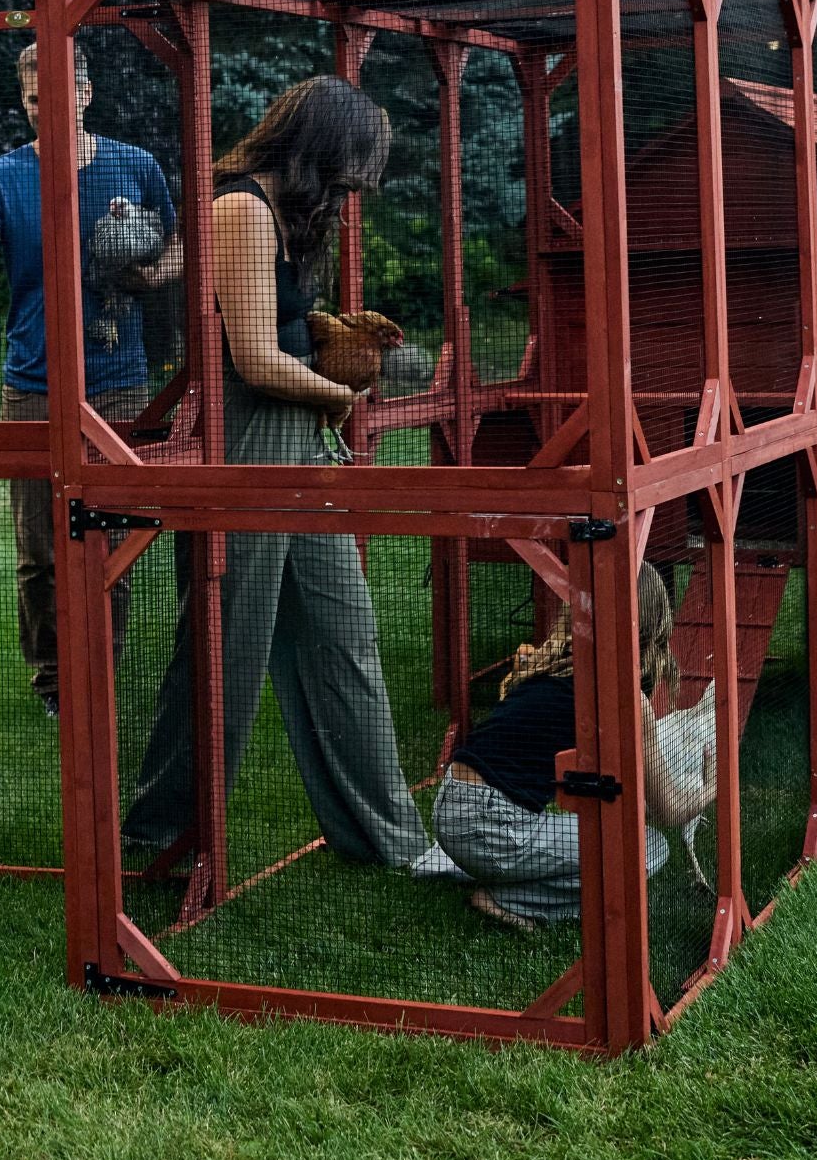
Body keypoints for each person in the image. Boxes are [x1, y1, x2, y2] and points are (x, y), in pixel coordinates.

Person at [121, 77, 456, 876]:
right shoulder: (240, 208)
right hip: (248, 442)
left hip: (297, 440)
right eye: (347, 168)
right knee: (226, 647)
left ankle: (393, 840)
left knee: (347, 637)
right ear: (318, 148)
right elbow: (254, 360)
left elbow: (283, 333)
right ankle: (159, 834)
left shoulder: (285, 213)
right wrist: (341, 394)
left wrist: (332, 355)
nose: (350, 189)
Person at [0, 42, 180, 717]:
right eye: (31, 99)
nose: (43, 109)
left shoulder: (133, 166)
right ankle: (55, 680)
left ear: (85, 93)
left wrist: (150, 272)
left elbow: (179, 251)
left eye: (56, 95)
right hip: (34, 383)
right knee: (39, 547)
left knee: (114, 538)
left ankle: (101, 670)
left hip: (119, 379)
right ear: (22, 102)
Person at [432, 564, 714, 930]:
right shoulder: (626, 697)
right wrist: (713, 786)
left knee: (592, 828)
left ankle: (493, 869)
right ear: (652, 625)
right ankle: (509, 900)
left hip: (451, 806)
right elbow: (668, 812)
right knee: (649, 848)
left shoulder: (555, 666)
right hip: (488, 826)